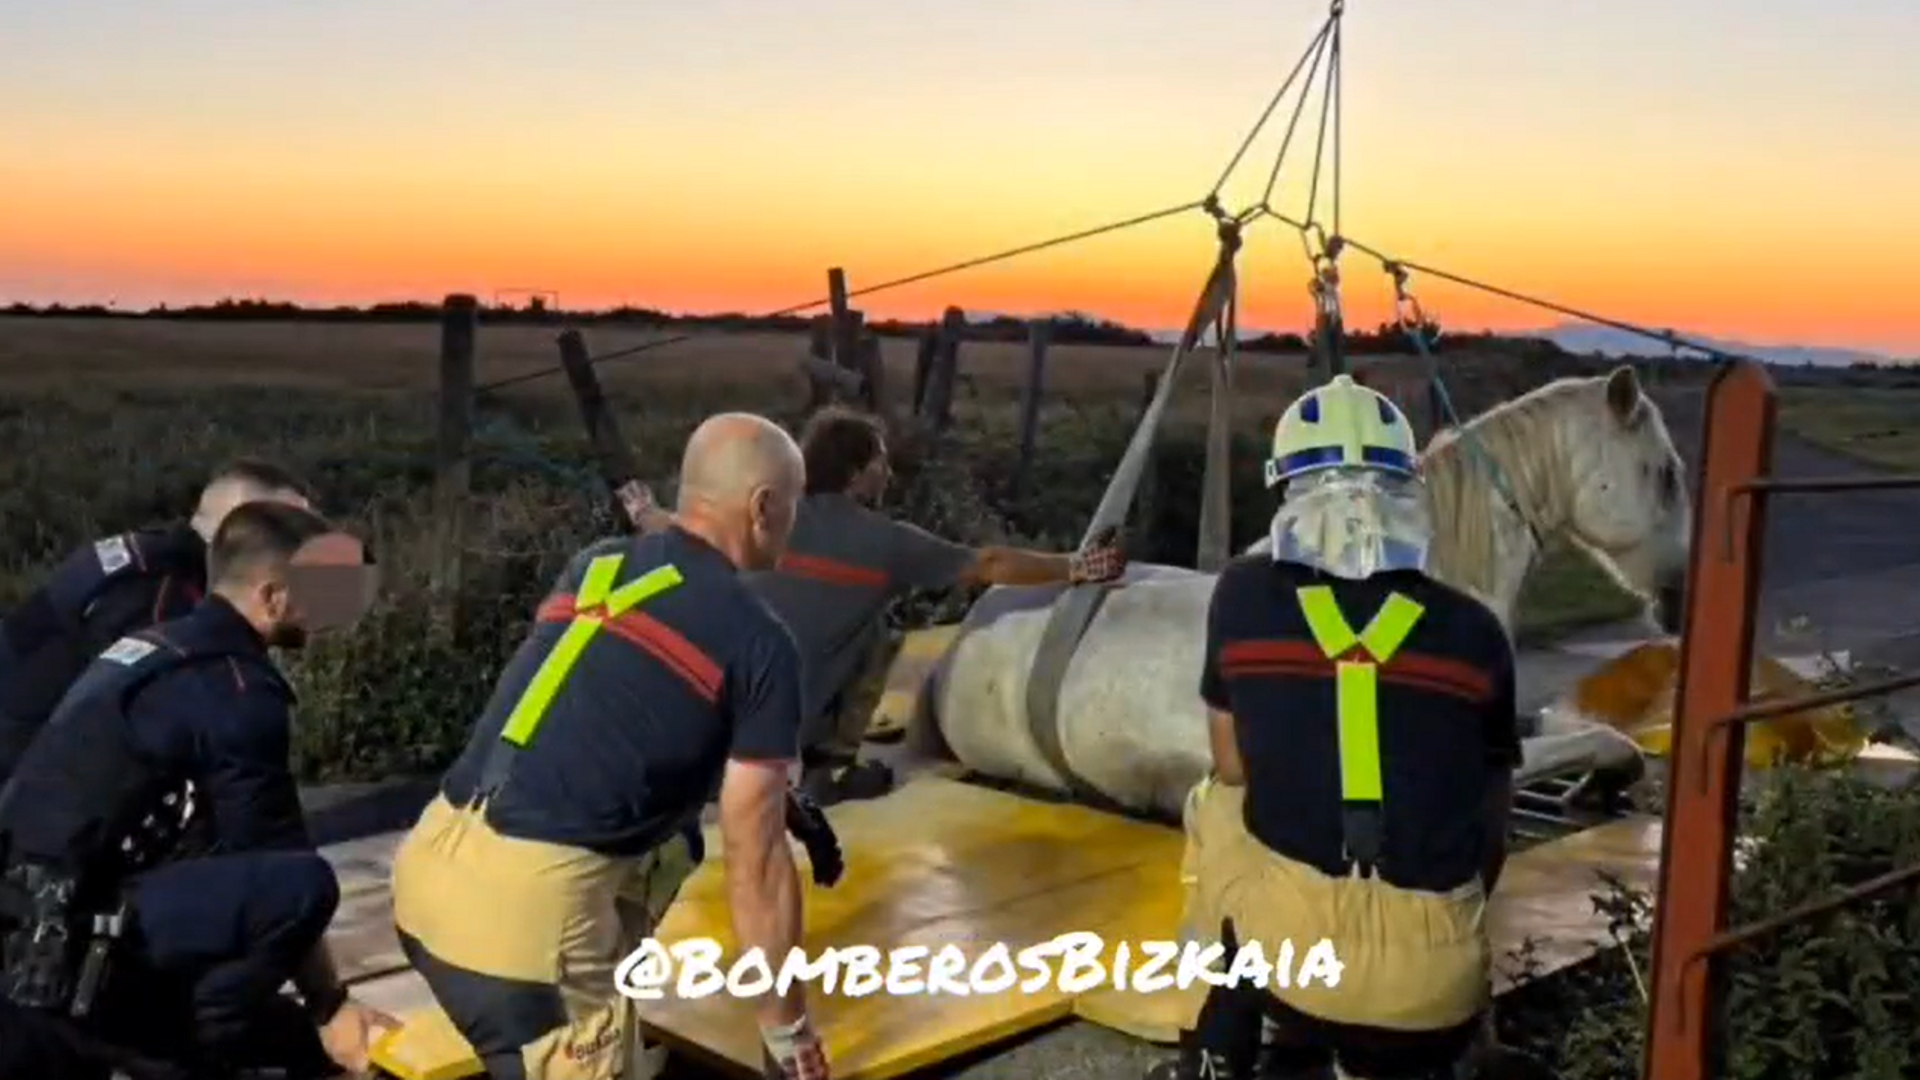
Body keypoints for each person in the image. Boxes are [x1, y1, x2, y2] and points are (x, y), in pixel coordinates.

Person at [391, 411, 841, 1080]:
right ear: (764, 507)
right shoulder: (759, 640)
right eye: (795, 504)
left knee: (676, 840)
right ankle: (585, 1027)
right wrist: (789, 1037)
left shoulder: (595, 566)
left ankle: (595, 1002)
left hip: (424, 877)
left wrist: (785, 801)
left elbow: (610, 711)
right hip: (519, 939)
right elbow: (759, 868)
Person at [1149, 375, 1521, 1080]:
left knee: (1217, 799)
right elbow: (1492, 824)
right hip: (1437, 993)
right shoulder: (1476, 629)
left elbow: (1233, 765)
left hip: (1294, 974)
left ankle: (1217, 1043)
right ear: (1409, 488)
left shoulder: (1243, 593)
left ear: (1287, 488)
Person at [0, 500, 392, 1080]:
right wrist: (329, 1005)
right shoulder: (237, 690)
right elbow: (274, 857)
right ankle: (204, 1037)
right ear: (274, 596)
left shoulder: (156, 648)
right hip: (72, 933)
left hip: (31, 912)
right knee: (303, 886)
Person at [727, 406, 1127, 805]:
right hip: (776, 735)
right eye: (879, 461)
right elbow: (987, 563)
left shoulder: (762, 513)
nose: (887, 472)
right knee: (879, 636)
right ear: (855, 473)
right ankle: (830, 768)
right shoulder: (884, 543)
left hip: (711, 716)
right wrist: (1076, 566)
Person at [0, 458, 314, 783]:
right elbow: (156, 708)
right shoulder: (163, 589)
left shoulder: (151, 556)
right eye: (288, 532)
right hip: (28, 777)